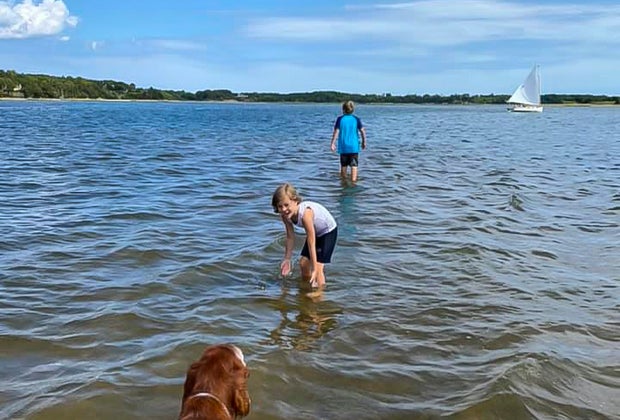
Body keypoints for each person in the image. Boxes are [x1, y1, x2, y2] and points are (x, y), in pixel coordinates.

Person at [271, 183, 338, 288]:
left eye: (286, 205)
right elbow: (290, 237)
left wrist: (315, 268)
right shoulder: (285, 216)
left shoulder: (306, 215)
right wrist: (287, 259)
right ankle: (307, 285)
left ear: (295, 201)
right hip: (315, 232)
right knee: (303, 263)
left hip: (327, 231)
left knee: (319, 267)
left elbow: (311, 241)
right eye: (280, 206)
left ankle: (319, 293)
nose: (284, 209)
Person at [330, 100, 366, 182]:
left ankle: (344, 182)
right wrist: (364, 142)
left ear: (343, 109)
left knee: (343, 165)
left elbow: (336, 131)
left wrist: (332, 143)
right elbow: (363, 131)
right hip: (354, 146)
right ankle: (353, 182)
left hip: (343, 147)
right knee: (354, 165)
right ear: (353, 109)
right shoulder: (356, 119)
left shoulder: (340, 119)